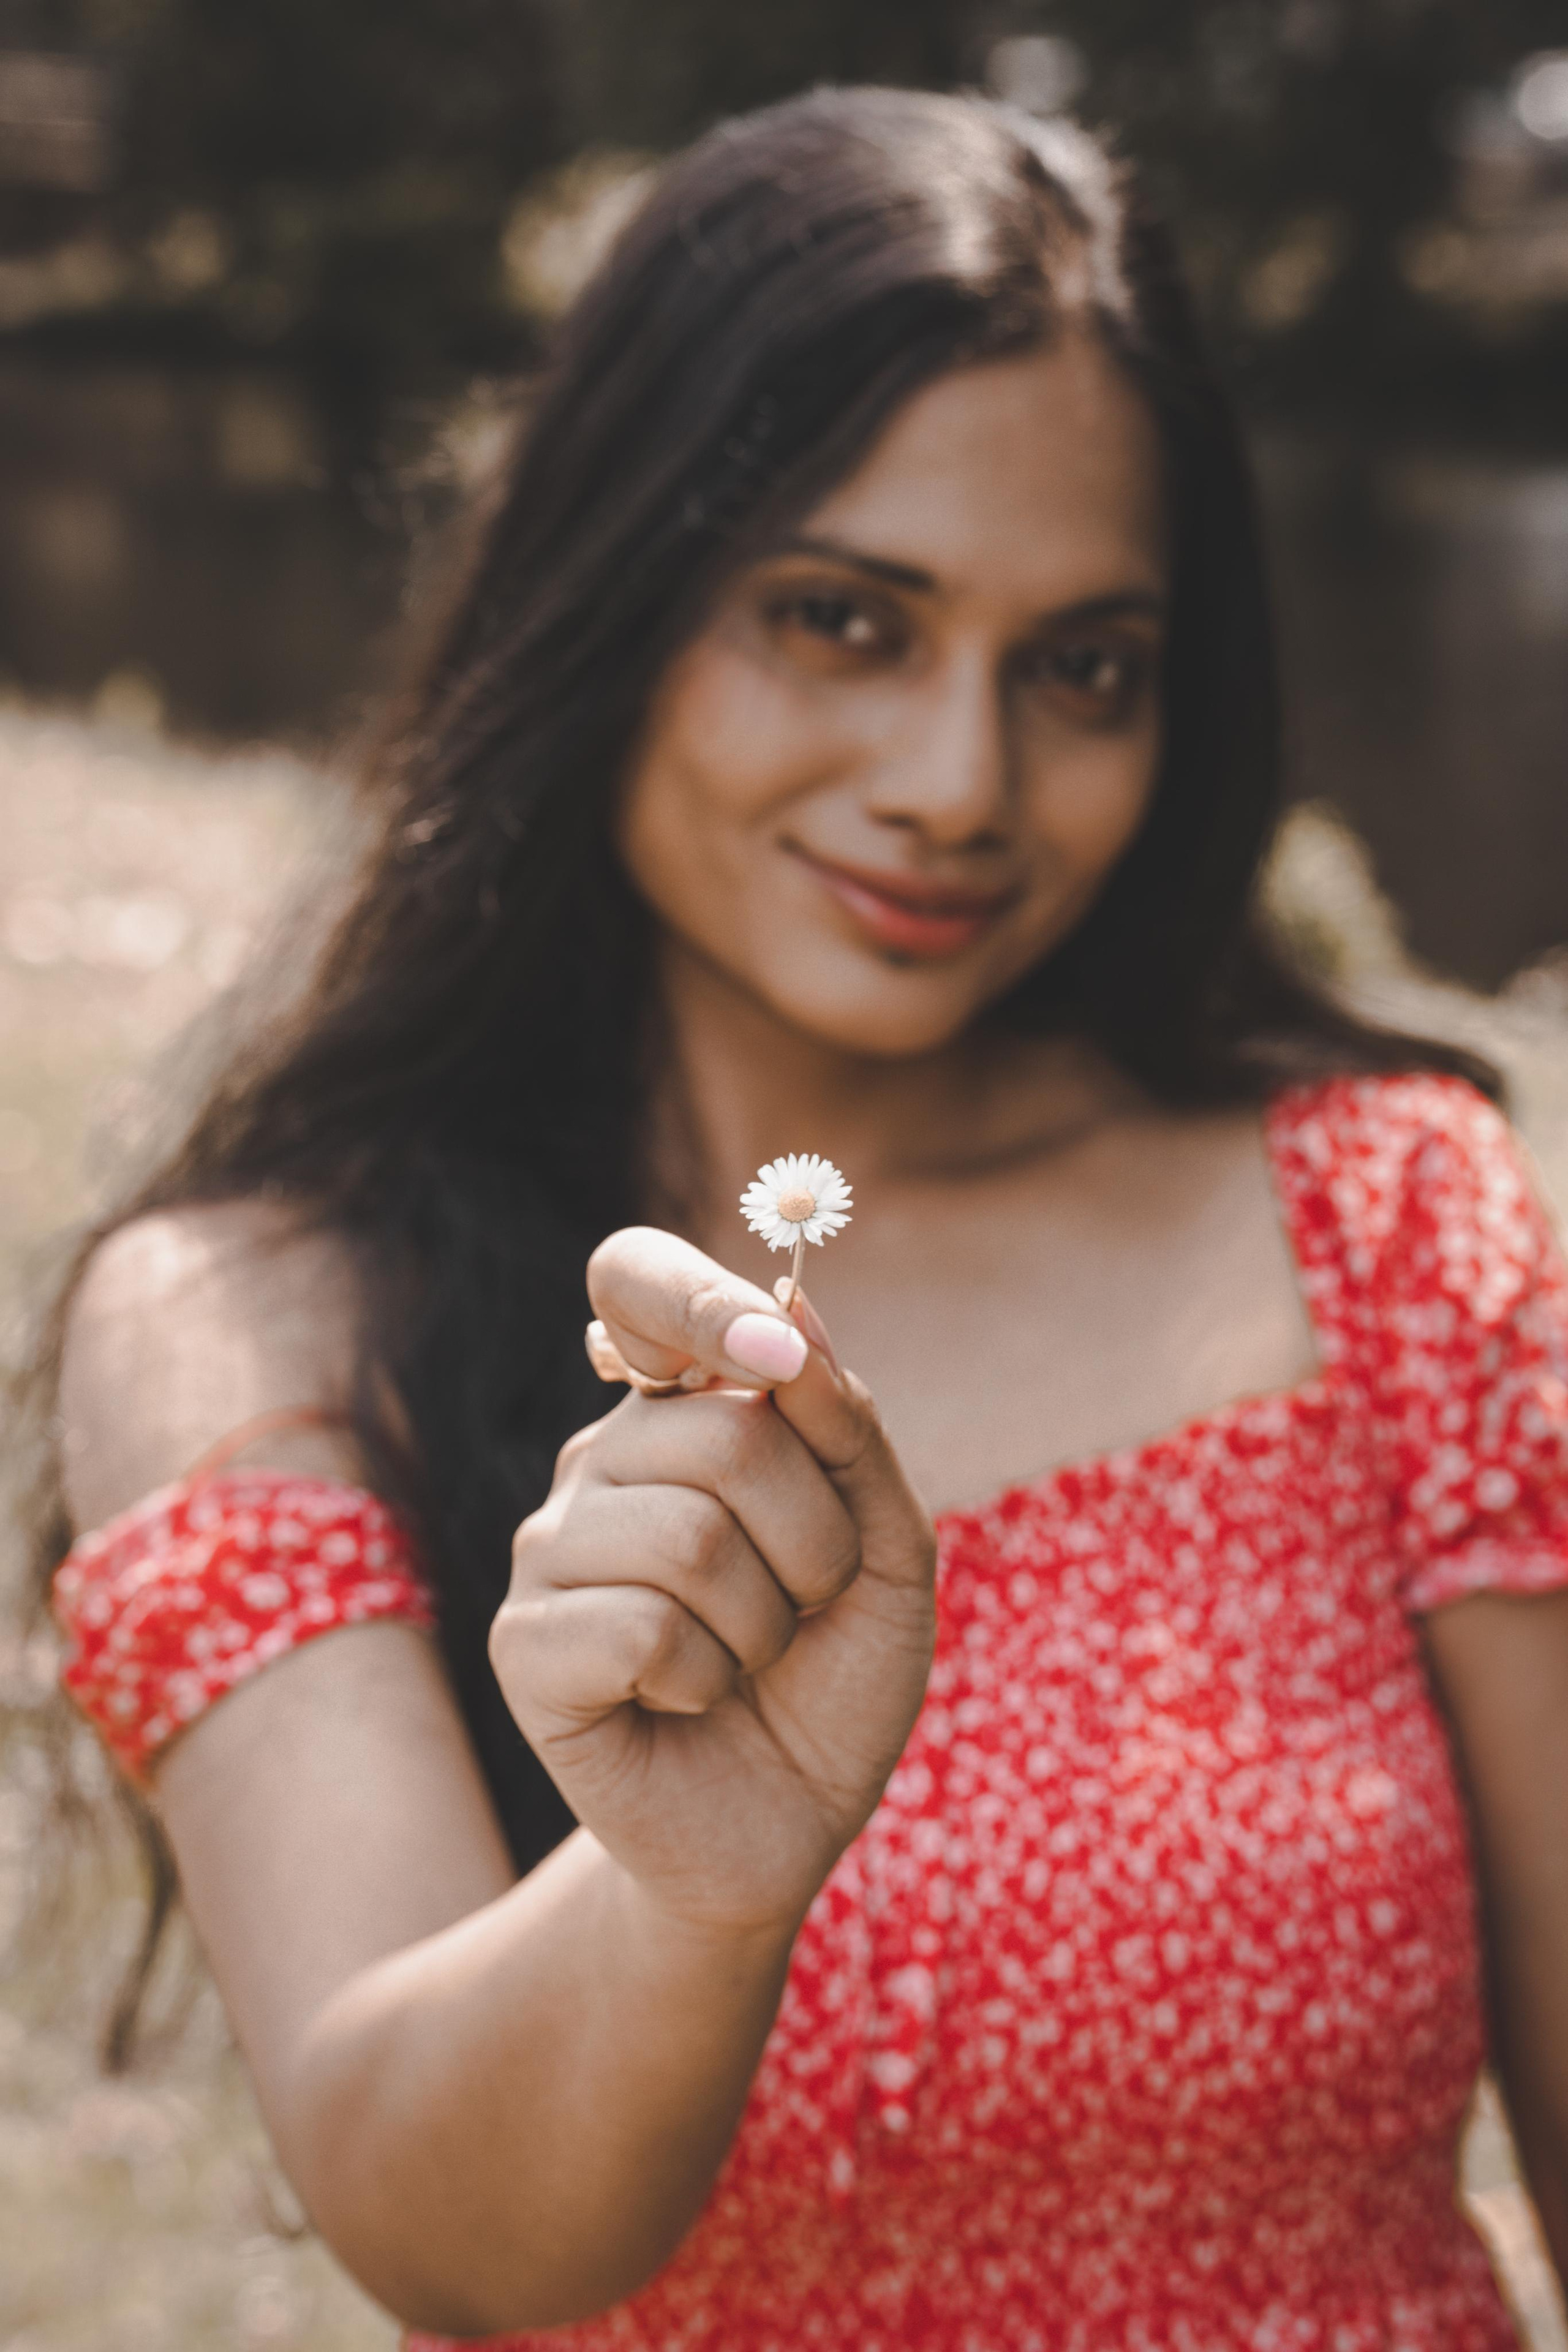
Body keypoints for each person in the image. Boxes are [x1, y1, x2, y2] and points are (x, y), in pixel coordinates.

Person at [32, 83, 1568, 2351]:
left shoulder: (1385, 1225)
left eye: (1082, 669)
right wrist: (685, 1888)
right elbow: (430, 2220)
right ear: (613, 591)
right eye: (845, 620)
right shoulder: (263, 1314)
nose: (959, 781)